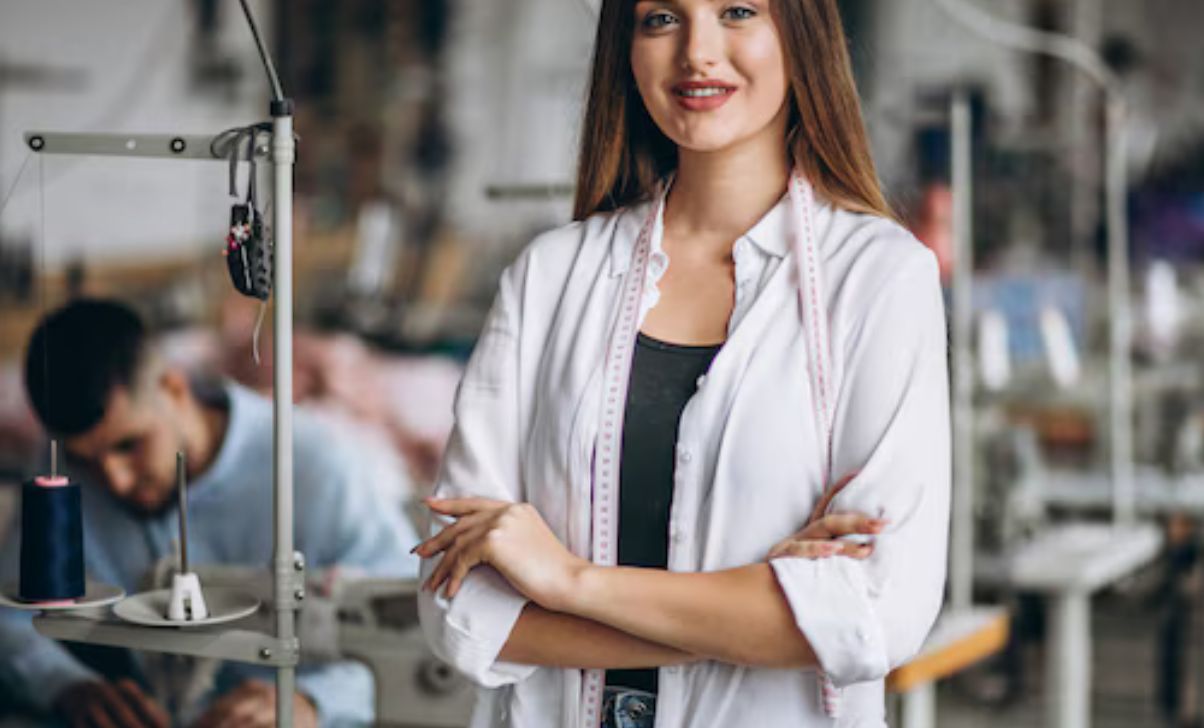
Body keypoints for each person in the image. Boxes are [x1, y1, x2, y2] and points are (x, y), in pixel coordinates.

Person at [414, 0, 950, 726]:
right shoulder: (550, 276)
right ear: (626, 49)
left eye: (737, 11)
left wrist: (568, 580)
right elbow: (457, 605)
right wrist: (755, 613)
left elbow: (877, 613)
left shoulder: (880, 279)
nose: (697, 52)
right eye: (661, 18)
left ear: (802, 36)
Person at [0, 299, 421, 727]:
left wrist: (312, 701)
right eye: (86, 460)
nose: (116, 481)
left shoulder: (315, 467)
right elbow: (10, 616)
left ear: (174, 388)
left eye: (130, 445)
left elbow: (416, 626)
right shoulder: (63, 476)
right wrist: (66, 685)